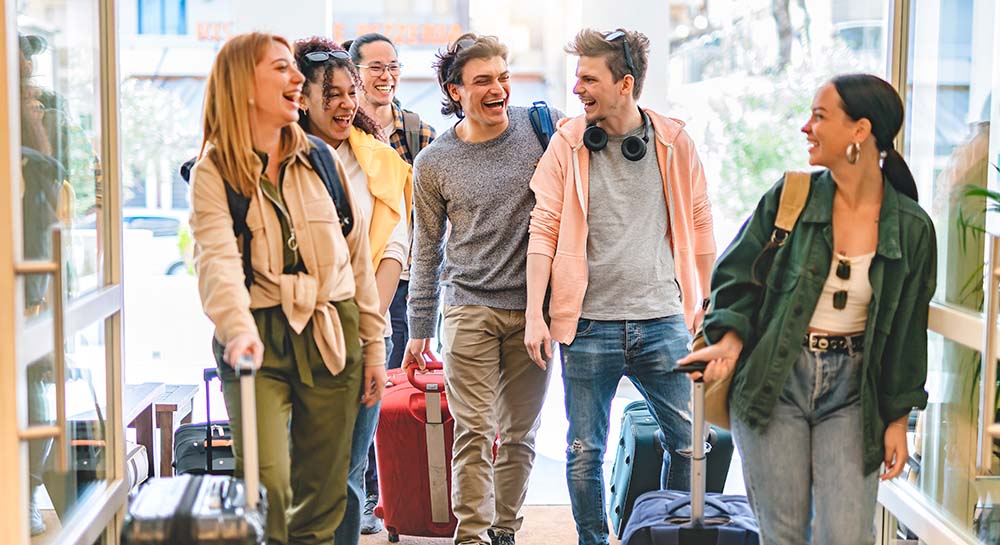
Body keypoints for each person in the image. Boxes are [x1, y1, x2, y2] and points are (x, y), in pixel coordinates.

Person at [679, 74, 936, 545]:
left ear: (860, 130)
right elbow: (737, 277)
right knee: (784, 536)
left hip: (855, 393)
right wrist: (730, 343)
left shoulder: (913, 228)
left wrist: (898, 420)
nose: (806, 128)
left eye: (819, 116)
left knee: (845, 536)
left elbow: (907, 332)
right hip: (776, 379)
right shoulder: (791, 197)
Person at [188, 31, 386, 545]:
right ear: (243, 85)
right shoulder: (216, 170)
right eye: (281, 69)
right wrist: (236, 329)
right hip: (257, 338)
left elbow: (358, 262)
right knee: (270, 488)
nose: (297, 78)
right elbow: (215, 262)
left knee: (324, 498)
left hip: (332, 332)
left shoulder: (322, 160)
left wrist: (374, 349)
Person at [525, 28, 716, 545]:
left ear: (624, 83)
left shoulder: (674, 142)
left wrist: (705, 301)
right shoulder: (568, 142)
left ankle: (657, 534)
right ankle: (593, 540)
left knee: (691, 444)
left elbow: (699, 224)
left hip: (662, 320)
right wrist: (534, 314)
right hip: (586, 326)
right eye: (576, 77)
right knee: (585, 448)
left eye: (588, 78)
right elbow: (542, 227)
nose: (577, 89)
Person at [402, 33, 562, 545]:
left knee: (518, 435)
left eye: (503, 77)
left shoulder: (542, 130)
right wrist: (418, 328)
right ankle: (470, 536)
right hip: (468, 307)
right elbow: (426, 249)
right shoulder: (434, 163)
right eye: (483, 81)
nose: (499, 89)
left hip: (534, 311)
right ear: (455, 91)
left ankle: (505, 530)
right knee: (473, 431)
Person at [293, 36, 412, 544]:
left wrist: (366, 322)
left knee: (347, 469)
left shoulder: (378, 161)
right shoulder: (279, 160)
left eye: (351, 92)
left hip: (364, 334)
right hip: (296, 332)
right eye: (332, 94)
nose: (346, 104)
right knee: (297, 469)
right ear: (301, 98)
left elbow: (395, 248)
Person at [347, 32, 437, 534]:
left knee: (396, 386)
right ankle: (361, 495)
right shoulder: (337, 133)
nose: (386, 76)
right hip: (359, 276)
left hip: (407, 277)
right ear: (354, 72)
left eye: (393, 67)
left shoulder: (417, 131)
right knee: (363, 386)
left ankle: (388, 496)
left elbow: (427, 214)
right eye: (376, 67)